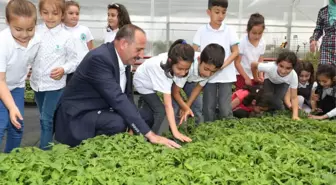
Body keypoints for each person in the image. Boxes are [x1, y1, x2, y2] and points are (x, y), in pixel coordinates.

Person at [54, 24, 181, 149]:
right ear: (124, 44)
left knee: (145, 116)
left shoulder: (122, 59)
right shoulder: (99, 59)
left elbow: (127, 96)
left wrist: (135, 127)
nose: (141, 55)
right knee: (116, 123)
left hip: (102, 109)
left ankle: (120, 148)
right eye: (138, 49)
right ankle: (93, 154)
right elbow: (117, 99)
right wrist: (151, 135)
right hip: (79, 115)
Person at [31, 0, 78, 150]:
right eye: (45, 13)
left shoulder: (67, 36)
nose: (50, 17)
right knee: (44, 117)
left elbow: (74, 61)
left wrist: (63, 69)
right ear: (40, 13)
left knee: (46, 119)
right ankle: (50, 141)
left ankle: (44, 153)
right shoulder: (35, 31)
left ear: (62, 15)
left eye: (55, 13)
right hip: (37, 83)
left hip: (55, 85)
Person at [133, 39, 193, 143]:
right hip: (143, 83)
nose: (183, 73)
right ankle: (151, 140)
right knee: (160, 111)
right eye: (180, 69)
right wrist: (175, 132)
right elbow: (168, 105)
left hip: (152, 80)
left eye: (186, 69)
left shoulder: (182, 58)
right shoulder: (161, 70)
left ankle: (142, 133)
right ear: (170, 61)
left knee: (149, 112)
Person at [0, 0, 40, 153]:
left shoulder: (36, 39)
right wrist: (11, 107)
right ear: (7, 22)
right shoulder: (3, 43)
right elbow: (1, 81)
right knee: (1, 124)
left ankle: (10, 159)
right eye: (18, 29)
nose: (24, 35)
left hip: (16, 86)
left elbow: (34, 59)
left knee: (17, 124)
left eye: (30, 29)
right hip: (2, 85)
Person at [192, 0, 239, 122]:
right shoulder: (201, 30)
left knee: (224, 107)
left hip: (225, 74)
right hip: (208, 75)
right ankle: (209, 131)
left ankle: (227, 132)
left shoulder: (230, 30)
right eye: (217, 12)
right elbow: (193, 50)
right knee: (208, 106)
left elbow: (235, 51)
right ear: (209, 12)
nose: (220, 16)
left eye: (223, 12)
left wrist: (223, 65)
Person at [172, 43, 225, 125]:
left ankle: (198, 128)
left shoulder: (209, 70)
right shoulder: (187, 66)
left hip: (190, 80)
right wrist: (184, 107)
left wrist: (187, 105)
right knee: (175, 107)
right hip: (176, 77)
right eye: (206, 69)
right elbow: (175, 92)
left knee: (198, 105)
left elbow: (198, 88)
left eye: (213, 72)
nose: (208, 74)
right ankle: (174, 132)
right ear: (199, 59)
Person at [251, 50, 300, 120]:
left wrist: (295, 115)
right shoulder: (270, 67)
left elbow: (294, 97)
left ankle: (279, 115)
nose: (283, 71)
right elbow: (253, 65)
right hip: (269, 80)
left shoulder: (293, 76)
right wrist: (256, 78)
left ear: (293, 68)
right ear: (277, 63)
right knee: (268, 97)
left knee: (277, 100)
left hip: (283, 83)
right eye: (281, 66)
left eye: (288, 68)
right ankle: (263, 114)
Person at [63, 0, 94, 84]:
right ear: (63, 14)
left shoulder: (84, 30)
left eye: (77, 13)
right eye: (71, 13)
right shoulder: (60, 30)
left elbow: (91, 49)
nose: (74, 16)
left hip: (84, 69)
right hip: (67, 71)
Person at [235, 13, 266, 90]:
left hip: (254, 75)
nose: (257, 36)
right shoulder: (242, 42)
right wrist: (246, 78)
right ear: (248, 30)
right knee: (242, 97)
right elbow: (237, 63)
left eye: (260, 33)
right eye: (254, 33)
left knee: (254, 97)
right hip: (241, 75)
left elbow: (260, 60)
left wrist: (261, 75)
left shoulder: (263, 43)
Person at [310, 0, 336, 65]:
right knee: (325, 72)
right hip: (327, 48)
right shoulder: (323, 11)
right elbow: (318, 29)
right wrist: (314, 40)